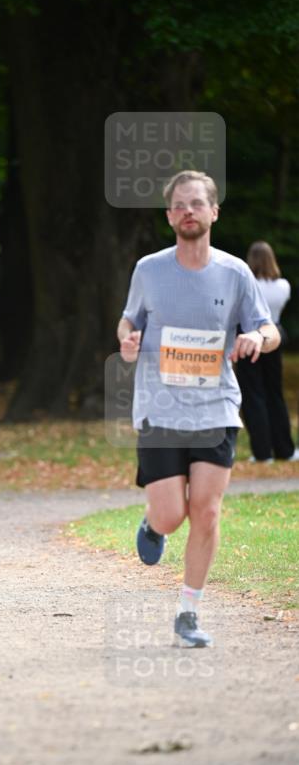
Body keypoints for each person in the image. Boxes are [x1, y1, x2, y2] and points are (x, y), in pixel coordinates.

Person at [117, 170, 280, 648]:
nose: (188, 211)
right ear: (170, 217)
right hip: (160, 409)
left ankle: (188, 611)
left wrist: (255, 337)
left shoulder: (234, 273)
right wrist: (127, 341)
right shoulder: (149, 269)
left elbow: (269, 331)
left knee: (206, 512)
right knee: (172, 516)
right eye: (180, 205)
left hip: (216, 408)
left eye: (197, 203)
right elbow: (129, 320)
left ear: (213, 212)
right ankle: (153, 523)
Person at [236, 241, 298, 463]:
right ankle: (285, 449)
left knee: (253, 396)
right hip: (274, 339)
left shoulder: (246, 285)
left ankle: (262, 452)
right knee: (275, 394)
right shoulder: (283, 286)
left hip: (248, 338)